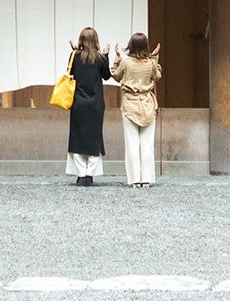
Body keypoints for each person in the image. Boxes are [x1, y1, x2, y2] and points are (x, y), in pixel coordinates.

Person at [109, 32, 162, 187]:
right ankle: (146, 178)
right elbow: (157, 75)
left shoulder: (126, 63)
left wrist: (117, 57)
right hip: (147, 103)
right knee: (147, 143)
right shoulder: (150, 64)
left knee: (132, 143)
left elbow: (116, 75)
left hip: (130, 104)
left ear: (130, 45)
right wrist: (155, 58)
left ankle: (134, 179)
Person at [64, 27, 110, 186]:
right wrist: (107, 56)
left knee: (77, 139)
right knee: (94, 139)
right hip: (96, 104)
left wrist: (74, 52)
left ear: (81, 40)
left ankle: (81, 173)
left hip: (78, 103)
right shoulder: (101, 58)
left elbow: (70, 71)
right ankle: (90, 174)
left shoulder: (75, 56)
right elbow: (106, 76)